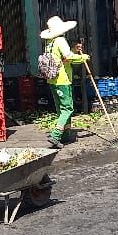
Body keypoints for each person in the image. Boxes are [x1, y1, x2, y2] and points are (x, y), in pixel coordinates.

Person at [40, 16, 90, 149]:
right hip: (62, 79)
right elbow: (69, 57)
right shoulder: (60, 40)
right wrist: (82, 57)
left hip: (52, 80)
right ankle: (56, 135)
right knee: (68, 108)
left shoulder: (49, 42)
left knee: (60, 109)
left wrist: (73, 50)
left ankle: (66, 134)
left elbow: (61, 58)